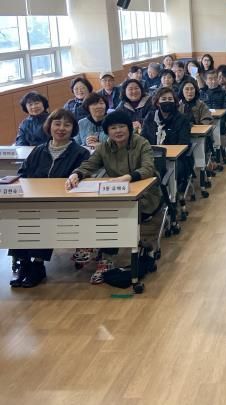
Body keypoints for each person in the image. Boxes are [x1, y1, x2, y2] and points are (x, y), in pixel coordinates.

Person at [66, 111, 163, 284]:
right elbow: (89, 164)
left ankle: (106, 258)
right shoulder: (104, 147)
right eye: (113, 128)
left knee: (112, 214)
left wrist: (129, 177)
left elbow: (148, 168)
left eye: (121, 126)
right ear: (107, 131)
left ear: (129, 128)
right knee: (95, 209)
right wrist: (76, 174)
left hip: (145, 194)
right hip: (115, 194)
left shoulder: (141, 143)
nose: (118, 131)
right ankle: (93, 245)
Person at [8, 109, 90, 288]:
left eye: (67, 125)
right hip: (33, 202)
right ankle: (24, 263)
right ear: (49, 126)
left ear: (73, 129)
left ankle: (38, 265)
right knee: (17, 217)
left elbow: (83, 178)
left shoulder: (80, 153)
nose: (61, 128)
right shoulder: (39, 150)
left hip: (62, 205)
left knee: (43, 217)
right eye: (57, 124)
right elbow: (23, 174)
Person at [142, 87, 192, 192]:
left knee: (167, 172)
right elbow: (143, 139)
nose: (167, 101)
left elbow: (184, 143)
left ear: (175, 101)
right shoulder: (150, 117)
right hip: (151, 158)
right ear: (157, 102)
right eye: (163, 99)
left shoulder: (182, 119)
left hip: (176, 159)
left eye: (170, 99)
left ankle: (169, 197)